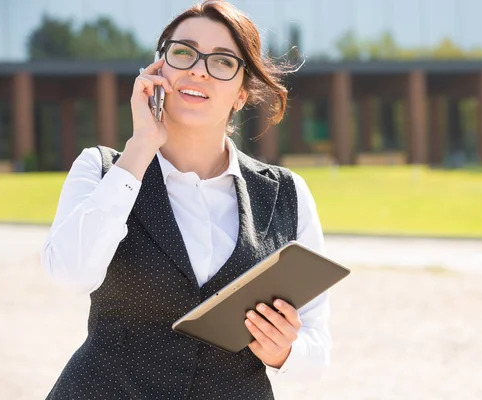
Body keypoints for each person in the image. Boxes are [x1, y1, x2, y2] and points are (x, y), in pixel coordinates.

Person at [41, 1, 330, 398]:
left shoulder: (286, 193)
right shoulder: (103, 169)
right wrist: (141, 147)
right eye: (183, 53)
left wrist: (284, 351)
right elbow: (69, 274)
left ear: (242, 93)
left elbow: (317, 353)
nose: (198, 69)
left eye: (223, 61)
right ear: (158, 70)